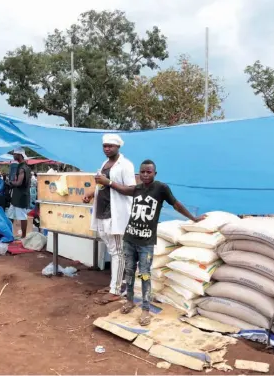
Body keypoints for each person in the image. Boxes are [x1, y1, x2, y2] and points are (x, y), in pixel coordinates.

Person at [96, 160, 205, 325]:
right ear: (139, 174)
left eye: (149, 172)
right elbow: (124, 189)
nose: (145, 175)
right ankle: (130, 301)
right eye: (143, 172)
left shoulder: (161, 189)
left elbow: (176, 205)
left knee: (145, 275)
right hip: (129, 239)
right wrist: (109, 183)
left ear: (155, 173)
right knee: (130, 272)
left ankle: (145, 309)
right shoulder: (138, 188)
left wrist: (193, 218)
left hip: (146, 242)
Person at [83, 134, 136, 305]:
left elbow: (131, 190)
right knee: (113, 251)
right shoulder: (105, 164)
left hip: (116, 214)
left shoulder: (126, 165)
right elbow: (102, 186)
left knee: (118, 252)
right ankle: (116, 283)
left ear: (118, 147)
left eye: (110, 146)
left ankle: (116, 290)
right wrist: (92, 193)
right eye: (105, 146)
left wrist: (109, 182)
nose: (107, 149)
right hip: (103, 211)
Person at [7, 148, 32, 238]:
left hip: (21, 196)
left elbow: (19, 183)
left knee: (22, 216)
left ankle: (23, 236)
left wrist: (10, 183)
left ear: (20, 155)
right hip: (17, 195)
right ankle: (8, 233)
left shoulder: (22, 168)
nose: (13, 155)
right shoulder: (24, 166)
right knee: (10, 214)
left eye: (15, 154)